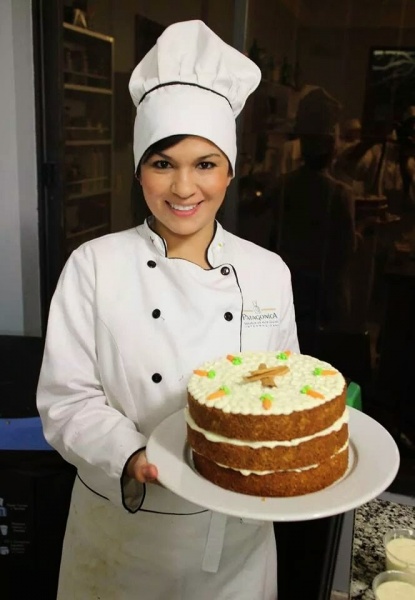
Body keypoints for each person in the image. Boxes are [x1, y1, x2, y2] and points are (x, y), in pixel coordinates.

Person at [37, 21, 299, 600]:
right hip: (123, 535)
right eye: (162, 163)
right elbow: (67, 401)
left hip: (235, 534)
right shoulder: (95, 265)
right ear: (138, 170)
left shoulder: (267, 272)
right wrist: (133, 454)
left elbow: (279, 390)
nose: (184, 188)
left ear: (230, 170)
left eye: (205, 163)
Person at [270, 133, 358, 352]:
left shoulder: (285, 184)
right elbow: (347, 245)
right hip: (322, 285)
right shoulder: (339, 192)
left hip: (290, 276)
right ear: (332, 154)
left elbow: (272, 228)